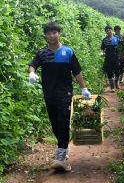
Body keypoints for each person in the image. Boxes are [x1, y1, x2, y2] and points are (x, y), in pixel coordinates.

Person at [28, 22, 91, 172]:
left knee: (63, 120)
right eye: (49, 33)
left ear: (59, 34)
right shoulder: (42, 53)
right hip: (49, 93)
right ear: (45, 35)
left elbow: (77, 71)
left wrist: (84, 88)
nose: (51, 35)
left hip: (65, 93)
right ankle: (63, 147)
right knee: (55, 123)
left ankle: (61, 157)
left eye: (54, 32)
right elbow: (33, 64)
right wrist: (31, 72)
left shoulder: (68, 52)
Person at [101, 25, 120, 92]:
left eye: (109, 30)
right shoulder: (104, 40)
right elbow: (102, 49)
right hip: (108, 58)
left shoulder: (117, 38)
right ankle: (112, 87)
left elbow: (121, 47)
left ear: (112, 30)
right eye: (107, 30)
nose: (108, 31)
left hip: (115, 57)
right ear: (105, 32)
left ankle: (116, 83)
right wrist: (102, 53)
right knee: (109, 72)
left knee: (117, 72)